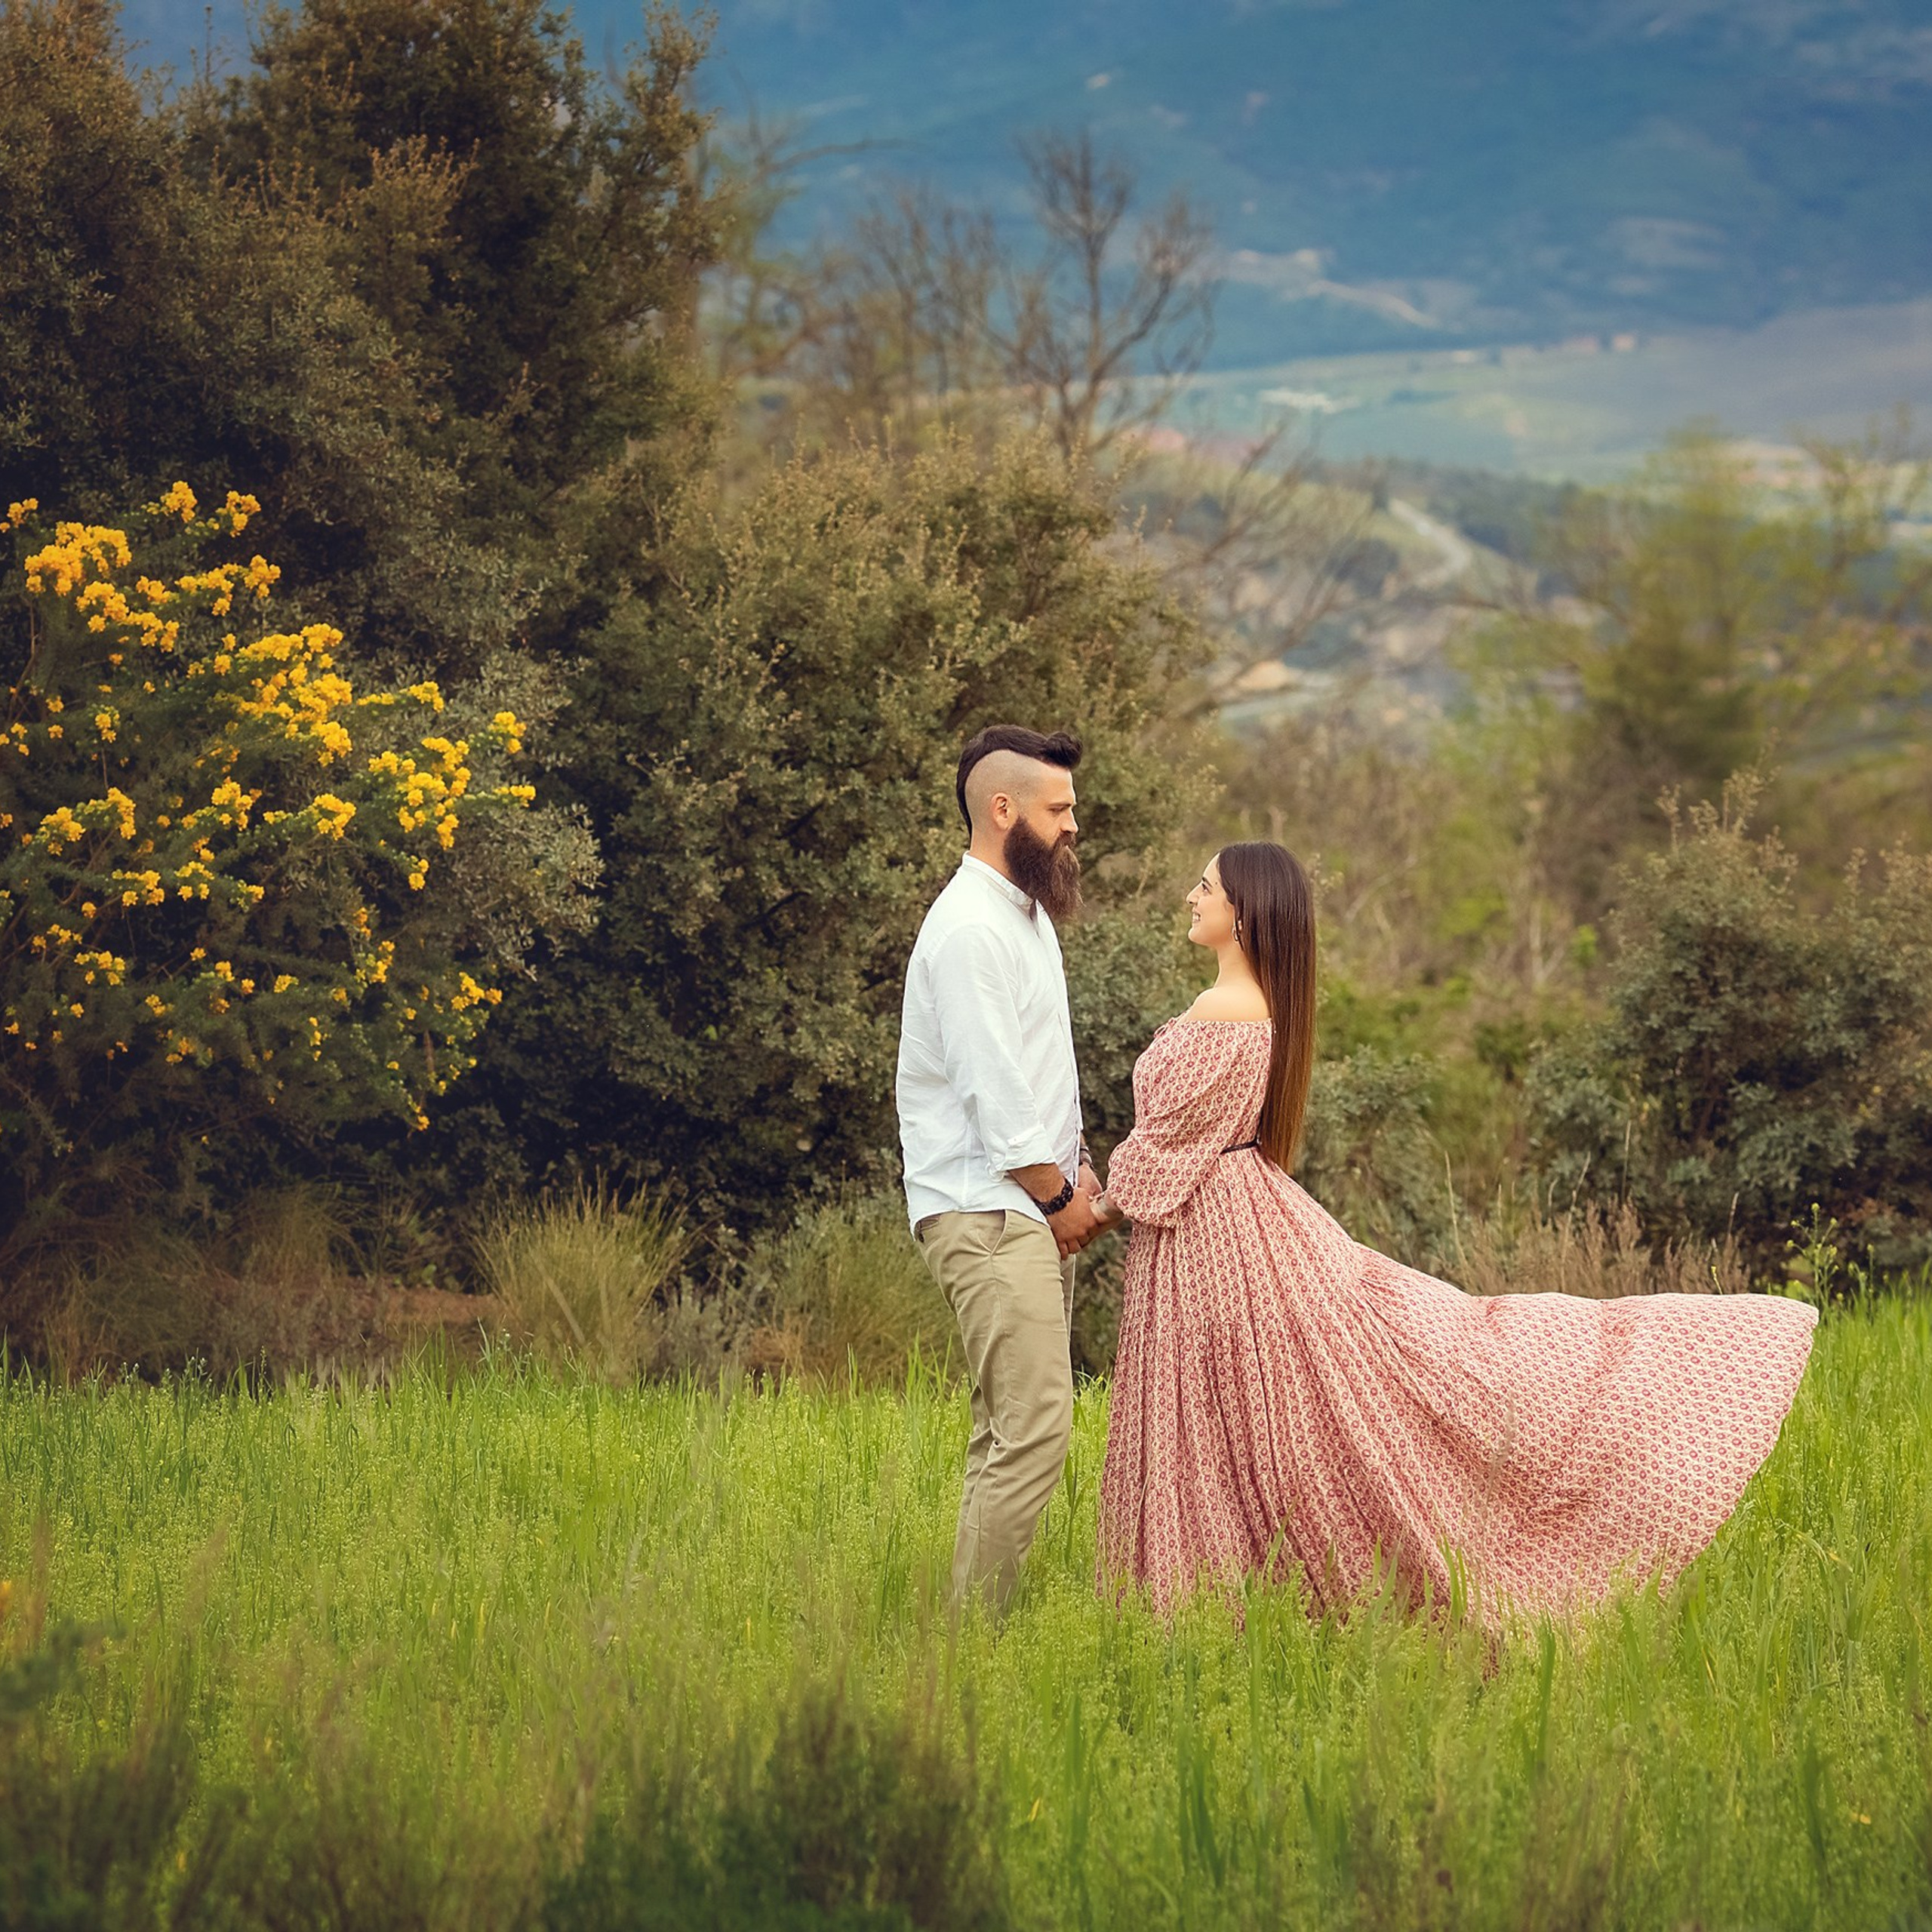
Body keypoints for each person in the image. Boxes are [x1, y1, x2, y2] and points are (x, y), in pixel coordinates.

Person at [1093, 841, 1817, 1627]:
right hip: (1235, 1217)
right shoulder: (1256, 1005)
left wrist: (1089, 1210)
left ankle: (1213, 1604)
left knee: (1245, 1414)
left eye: (1204, 886)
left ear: (1244, 911)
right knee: (1284, 1408)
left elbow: (1165, 1149)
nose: (1189, 896)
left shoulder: (1223, 1013)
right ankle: (1243, 1597)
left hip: (1218, 1229)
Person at [897, 724, 1109, 1613]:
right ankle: (968, 1638)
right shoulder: (970, 930)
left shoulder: (1020, 916)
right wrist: (1059, 1197)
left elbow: (1037, 1069)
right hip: (988, 1213)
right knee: (1032, 1430)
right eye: (1057, 810)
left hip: (1017, 1208)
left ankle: (965, 1628)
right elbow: (994, 1097)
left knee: (1010, 1428)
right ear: (1002, 809)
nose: (1071, 827)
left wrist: (1080, 1173)